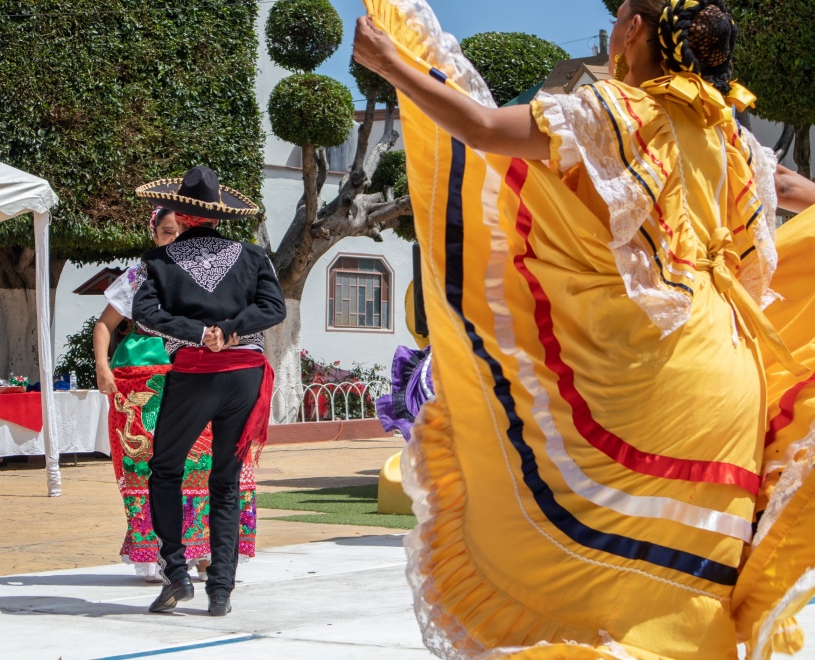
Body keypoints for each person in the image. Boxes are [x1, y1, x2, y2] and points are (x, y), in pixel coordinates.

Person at [354, 0, 814, 657]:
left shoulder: (620, 111)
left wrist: (393, 65)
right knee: (690, 577)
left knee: (581, 552)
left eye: (622, 14)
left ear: (633, 31)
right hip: (730, 376)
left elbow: (481, 129)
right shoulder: (724, 131)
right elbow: (792, 190)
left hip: (646, 369)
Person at [131, 165, 285, 617]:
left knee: (165, 469)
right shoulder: (253, 256)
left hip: (196, 372)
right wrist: (230, 329)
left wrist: (200, 333)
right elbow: (273, 308)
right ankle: (221, 590)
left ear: (180, 213)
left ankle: (177, 573)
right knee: (226, 481)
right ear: (219, 215)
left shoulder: (157, 261)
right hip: (245, 374)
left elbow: (145, 315)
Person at [94, 206, 258, 584]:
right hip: (147, 381)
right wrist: (102, 365)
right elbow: (105, 323)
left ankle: (208, 553)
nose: (174, 237)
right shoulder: (143, 273)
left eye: (180, 230)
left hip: (203, 372)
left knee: (208, 465)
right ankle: (162, 554)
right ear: (153, 234)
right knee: (151, 466)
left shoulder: (210, 269)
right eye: (167, 232)